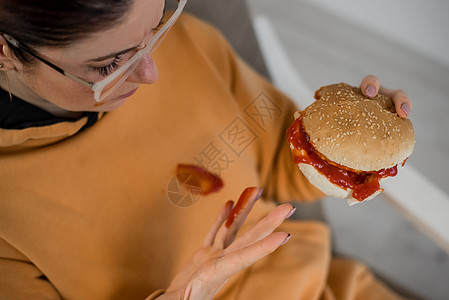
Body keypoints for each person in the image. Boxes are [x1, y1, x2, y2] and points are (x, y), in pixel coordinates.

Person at [0, 0, 413, 299]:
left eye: (157, 25)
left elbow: (286, 168)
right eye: (111, 64)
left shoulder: (192, 44)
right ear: (6, 52)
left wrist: (351, 144)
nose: (151, 73)